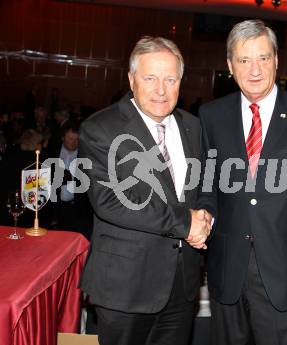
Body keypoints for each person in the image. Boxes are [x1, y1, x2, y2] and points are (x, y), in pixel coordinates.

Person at [198, 19, 287, 345]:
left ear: (276, 60)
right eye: (244, 60)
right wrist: (203, 213)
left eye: (263, 58)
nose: (255, 69)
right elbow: (206, 185)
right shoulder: (211, 116)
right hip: (227, 269)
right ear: (230, 65)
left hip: (285, 271)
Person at [78, 36, 211, 345]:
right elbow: (110, 201)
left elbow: (205, 186)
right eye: (150, 78)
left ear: (181, 81)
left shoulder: (194, 126)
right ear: (131, 79)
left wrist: (206, 217)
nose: (161, 90)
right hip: (126, 287)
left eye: (170, 79)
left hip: (182, 284)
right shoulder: (101, 129)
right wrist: (185, 223)